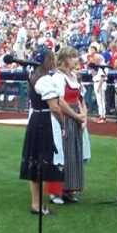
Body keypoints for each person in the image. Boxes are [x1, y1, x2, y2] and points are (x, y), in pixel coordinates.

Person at [20, 46, 68, 215]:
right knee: (40, 163)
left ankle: (37, 203)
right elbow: (54, 107)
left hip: (37, 119)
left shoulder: (35, 76)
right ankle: (37, 204)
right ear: (47, 61)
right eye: (51, 58)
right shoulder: (44, 79)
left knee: (36, 163)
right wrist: (63, 123)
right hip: (44, 121)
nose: (54, 61)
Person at [47, 47, 88, 204]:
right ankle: (56, 192)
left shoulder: (74, 76)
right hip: (64, 118)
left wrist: (83, 115)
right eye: (72, 57)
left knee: (73, 154)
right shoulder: (58, 77)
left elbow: (80, 98)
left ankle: (69, 189)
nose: (75, 60)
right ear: (64, 59)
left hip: (75, 118)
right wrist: (76, 115)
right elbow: (60, 100)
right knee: (62, 153)